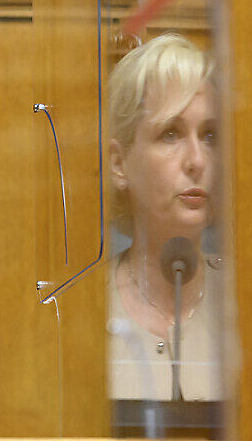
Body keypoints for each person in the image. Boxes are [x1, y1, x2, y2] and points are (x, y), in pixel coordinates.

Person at [106, 33, 220, 400]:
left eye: (209, 136)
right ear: (119, 163)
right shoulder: (81, 311)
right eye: (170, 133)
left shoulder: (242, 302)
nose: (197, 161)